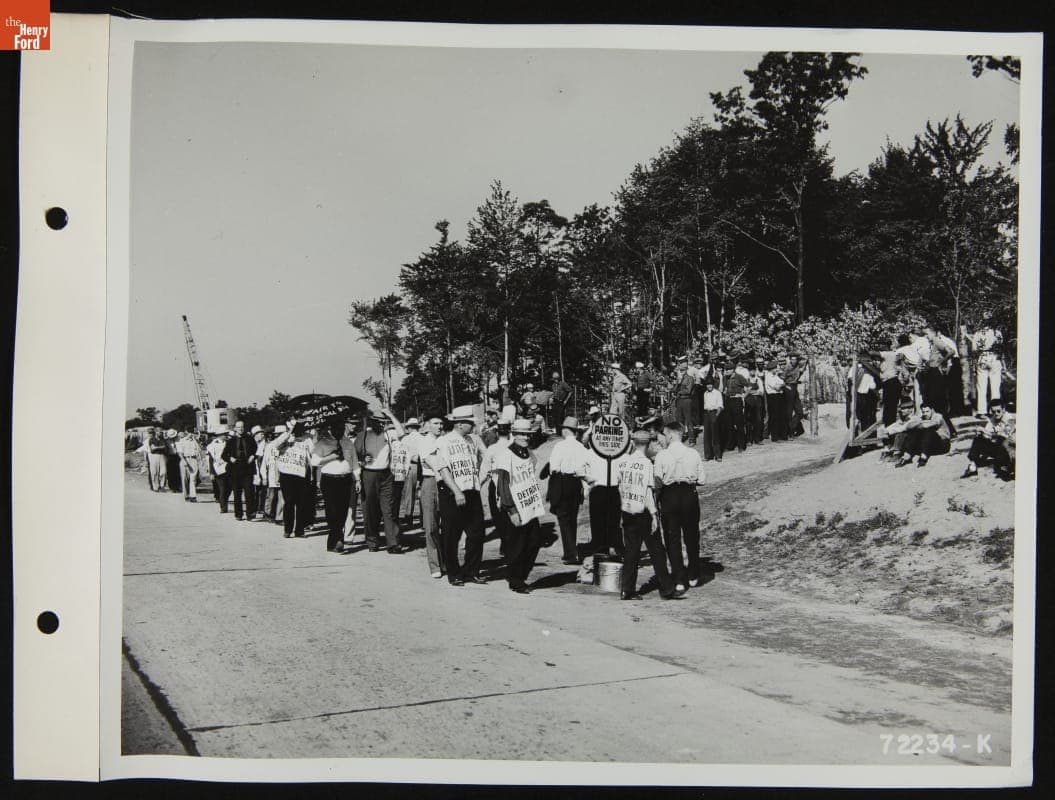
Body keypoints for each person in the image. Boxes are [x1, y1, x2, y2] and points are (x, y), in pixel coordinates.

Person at [617, 429, 683, 601]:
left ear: (632, 443)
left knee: (631, 550)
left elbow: (620, 487)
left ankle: (627, 589)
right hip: (643, 512)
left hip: (627, 509)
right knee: (657, 550)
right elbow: (647, 493)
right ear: (648, 444)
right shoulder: (647, 464)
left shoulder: (623, 462)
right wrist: (654, 514)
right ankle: (667, 588)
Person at [426, 405, 487, 586]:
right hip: (452, 491)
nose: (472, 426)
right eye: (469, 423)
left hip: (472, 490)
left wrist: (479, 482)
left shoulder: (471, 440)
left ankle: (471, 570)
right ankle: (454, 573)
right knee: (452, 534)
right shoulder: (444, 441)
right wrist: (456, 491)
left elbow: (480, 461)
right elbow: (443, 469)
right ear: (460, 424)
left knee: (477, 533)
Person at [492, 418, 547, 594]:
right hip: (514, 507)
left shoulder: (529, 454)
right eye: (522, 434)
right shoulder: (505, 455)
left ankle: (521, 575)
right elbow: (503, 485)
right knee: (517, 545)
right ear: (514, 435)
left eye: (528, 434)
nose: (526, 437)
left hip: (529, 506)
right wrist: (511, 510)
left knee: (534, 542)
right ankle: (516, 580)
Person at [653, 420, 705, 592]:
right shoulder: (693, 454)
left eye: (666, 435)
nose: (665, 438)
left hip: (669, 495)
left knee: (672, 538)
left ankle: (679, 578)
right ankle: (694, 574)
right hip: (689, 494)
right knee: (692, 536)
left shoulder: (662, 455)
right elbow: (702, 480)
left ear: (671, 435)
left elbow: (658, 482)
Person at [354, 409, 406, 553]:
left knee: (388, 509)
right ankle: (372, 541)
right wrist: (362, 458)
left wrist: (390, 415)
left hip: (386, 475)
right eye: (378, 422)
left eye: (383, 422)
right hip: (368, 474)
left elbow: (402, 433)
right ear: (371, 422)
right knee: (370, 510)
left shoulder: (389, 434)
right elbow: (355, 456)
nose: (381, 425)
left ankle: (392, 543)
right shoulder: (362, 436)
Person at [312, 421, 358, 553]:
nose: (339, 429)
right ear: (331, 428)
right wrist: (331, 457)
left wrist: (357, 479)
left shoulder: (348, 443)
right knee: (332, 511)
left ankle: (336, 540)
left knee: (343, 511)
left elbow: (354, 462)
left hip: (346, 479)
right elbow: (314, 461)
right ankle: (337, 539)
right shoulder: (323, 442)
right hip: (330, 480)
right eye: (336, 427)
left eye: (341, 427)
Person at [546, 416, 587, 565]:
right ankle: (571, 549)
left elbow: (554, 467)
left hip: (562, 481)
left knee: (563, 519)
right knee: (572, 517)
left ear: (565, 430)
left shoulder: (559, 446)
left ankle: (570, 553)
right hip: (576, 483)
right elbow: (584, 467)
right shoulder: (581, 447)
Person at [578, 444, 624, 560]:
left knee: (601, 524)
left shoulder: (592, 452)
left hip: (601, 489)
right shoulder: (616, 451)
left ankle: (602, 555)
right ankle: (610, 555)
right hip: (609, 489)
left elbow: (578, 470)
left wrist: (590, 480)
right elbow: (578, 469)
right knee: (611, 523)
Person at [273, 420, 314, 537]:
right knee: (289, 502)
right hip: (286, 474)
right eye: (295, 427)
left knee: (302, 503)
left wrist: (310, 438)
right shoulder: (285, 436)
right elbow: (276, 445)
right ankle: (288, 529)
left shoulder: (307, 438)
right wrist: (288, 435)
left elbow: (313, 453)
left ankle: (300, 530)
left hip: (302, 474)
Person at [416, 415, 445, 578]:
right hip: (430, 481)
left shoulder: (445, 440)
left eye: (441, 423)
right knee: (431, 525)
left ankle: (446, 561)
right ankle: (435, 565)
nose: (439, 426)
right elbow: (428, 461)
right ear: (427, 425)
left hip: (447, 481)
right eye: (435, 423)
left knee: (447, 524)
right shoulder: (424, 441)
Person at [479, 422, 512, 558]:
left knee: (498, 516)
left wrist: (479, 485)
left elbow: (485, 469)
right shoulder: (514, 446)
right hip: (513, 483)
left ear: (497, 433)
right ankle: (509, 544)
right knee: (512, 514)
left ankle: (505, 543)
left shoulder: (492, 449)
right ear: (510, 432)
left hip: (496, 483)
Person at [962, 399, 1015, 480]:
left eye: (998, 411)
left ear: (1003, 410)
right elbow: (989, 436)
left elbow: (1006, 436)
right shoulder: (992, 419)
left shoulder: (1010, 419)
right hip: (998, 448)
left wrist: (988, 433)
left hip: (1008, 450)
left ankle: (1004, 466)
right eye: (993, 411)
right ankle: (973, 465)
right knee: (978, 439)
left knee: (1001, 439)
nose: (996, 414)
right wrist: (982, 434)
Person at [966, 320, 1004, 417]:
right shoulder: (997, 333)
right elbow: (1001, 347)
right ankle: (995, 410)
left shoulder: (978, 334)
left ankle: (982, 411)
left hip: (982, 358)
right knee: (995, 386)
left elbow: (974, 349)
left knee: (982, 386)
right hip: (995, 358)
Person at [222, 420, 258, 521]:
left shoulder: (250, 439)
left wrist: (253, 456)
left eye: (242, 427)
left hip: (247, 468)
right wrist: (230, 459)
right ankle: (238, 514)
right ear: (235, 428)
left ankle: (250, 514)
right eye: (238, 427)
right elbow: (223, 455)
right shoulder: (231, 441)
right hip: (235, 469)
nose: (241, 429)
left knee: (249, 492)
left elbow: (256, 450)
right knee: (237, 493)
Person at [397, 417, 422, 524]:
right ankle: (423, 517)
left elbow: (402, 454)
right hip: (422, 466)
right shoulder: (422, 437)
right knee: (421, 491)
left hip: (410, 466)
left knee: (409, 492)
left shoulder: (405, 439)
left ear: (409, 427)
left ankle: (408, 515)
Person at [262, 424, 286, 522]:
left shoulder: (288, 446)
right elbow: (264, 463)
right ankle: (268, 513)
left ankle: (279, 517)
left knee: (282, 496)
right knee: (271, 496)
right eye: (278, 435)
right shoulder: (270, 446)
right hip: (272, 474)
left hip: (283, 474)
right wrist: (264, 476)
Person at [672, 356, 696, 446]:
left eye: (682, 371)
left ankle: (692, 439)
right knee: (679, 420)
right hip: (679, 400)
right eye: (680, 371)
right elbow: (674, 390)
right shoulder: (679, 379)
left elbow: (688, 390)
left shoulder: (690, 378)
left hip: (687, 400)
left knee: (688, 420)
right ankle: (680, 438)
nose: (680, 372)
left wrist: (679, 391)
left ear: (686, 369)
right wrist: (676, 384)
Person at [700, 378, 724, 462]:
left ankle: (718, 455)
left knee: (715, 435)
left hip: (714, 413)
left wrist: (716, 416)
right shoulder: (705, 393)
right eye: (707, 384)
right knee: (706, 436)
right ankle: (708, 455)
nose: (709, 386)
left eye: (710, 384)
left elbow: (720, 406)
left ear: (713, 385)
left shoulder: (717, 393)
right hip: (706, 414)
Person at [176, 429, 202, 502]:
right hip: (185, 459)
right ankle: (186, 495)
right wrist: (184, 461)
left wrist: (196, 440)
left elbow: (199, 451)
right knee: (185, 479)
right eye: (190, 432)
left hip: (193, 459)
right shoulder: (182, 441)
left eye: (193, 432)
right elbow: (180, 452)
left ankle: (193, 496)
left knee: (193, 478)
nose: (192, 434)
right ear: (186, 432)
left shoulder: (195, 441)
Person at [206, 431, 230, 512]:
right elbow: (211, 460)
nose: (226, 435)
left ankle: (224, 502)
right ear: (220, 435)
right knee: (222, 488)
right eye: (224, 434)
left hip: (228, 468)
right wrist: (211, 472)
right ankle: (223, 507)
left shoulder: (228, 443)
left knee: (228, 488)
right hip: (218, 469)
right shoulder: (212, 445)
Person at [763, 361, 787, 441]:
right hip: (772, 397)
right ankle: (775, 436)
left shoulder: (775, 376)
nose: (777, 369)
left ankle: (781, 435)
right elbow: (777, 387)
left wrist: (780, 385)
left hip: (778, 396)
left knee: (781, 415)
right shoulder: (769, 377)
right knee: (774, 417)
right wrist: (781, 385)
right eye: (775, 368)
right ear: (772, 369)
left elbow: (783, 383)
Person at [785, 353, 806, 437]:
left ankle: (792, 428)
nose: (794, 361)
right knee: (789, 412)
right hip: (789, 388)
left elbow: (804, 361)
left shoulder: (798, 365)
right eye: (792, 359)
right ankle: (789, 431)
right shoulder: (787, 368)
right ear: (790, 360)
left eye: (795, 359)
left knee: (799, 411)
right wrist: (786, 386)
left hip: (795, 387)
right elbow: (781, 379)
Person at [745, 361, 765, 444]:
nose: (752, 372)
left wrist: (753, 392)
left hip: (758, 402)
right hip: (749, 402)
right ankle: (749, 440)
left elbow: (761, 392)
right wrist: (753, 391)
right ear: (749, 371)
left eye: (753, 370)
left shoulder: (758, 379)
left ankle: (758, 439)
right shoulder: (746, 380)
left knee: (758, 420)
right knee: (748, 421)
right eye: (751, 370)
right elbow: (745, 391)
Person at [251, 425, 269, 515]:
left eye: (262, 433)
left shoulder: (266, 444)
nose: (262, 435)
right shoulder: (252, 444)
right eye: (259, 434)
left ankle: (262, 508)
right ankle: (255, 507)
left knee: (263, 490)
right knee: (256, 490)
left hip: (263, 469)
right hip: (255, 470)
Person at [146, 428, 168, 493]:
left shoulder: (163, 439)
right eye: (159, 432)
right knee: (154, 472)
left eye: (161, 432)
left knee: (163, 472)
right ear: (156, 432)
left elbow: (165, 447)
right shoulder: (152, 439)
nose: (161, 433)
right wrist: (161, 447)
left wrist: (157, 447)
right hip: (154, 456)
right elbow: (153, 448)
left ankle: (162, 486)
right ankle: (155, 487)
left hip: (162, 456)